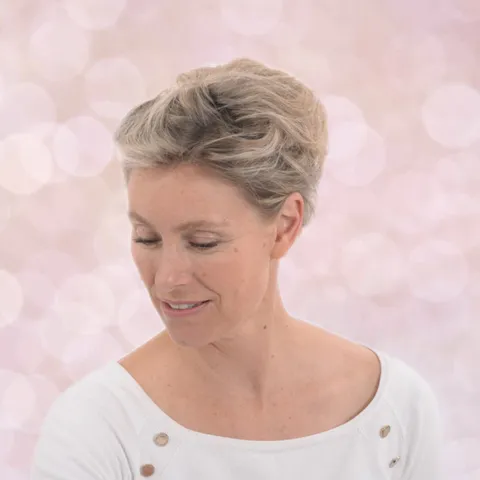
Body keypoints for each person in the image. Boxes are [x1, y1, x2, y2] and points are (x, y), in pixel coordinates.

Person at [31, 58, 443, 479]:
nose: (167, 279)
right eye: (147, 238)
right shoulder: (96, 428)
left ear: (285, 226)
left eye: (203, 242)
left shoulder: (395, 409)